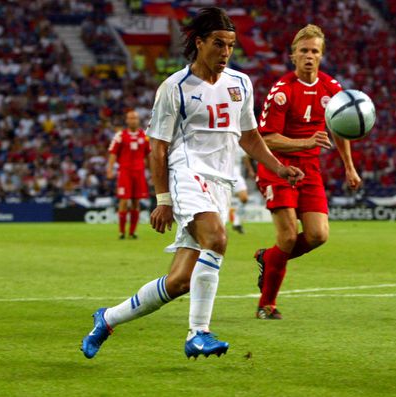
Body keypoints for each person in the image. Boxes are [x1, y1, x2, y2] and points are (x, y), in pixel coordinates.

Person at [80, 7, 304, 359]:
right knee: (217, 237)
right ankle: (198, 333)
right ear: (199, 43)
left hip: (220, 181)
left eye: (230, 45)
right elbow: (158, 147)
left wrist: (278, 167)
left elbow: (249, 137)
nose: (226, 52)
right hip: (186, 172)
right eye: (218, 44)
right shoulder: (174, 87)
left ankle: (107, 319)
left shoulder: (240, 83)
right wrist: (163, 199)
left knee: (180, 281)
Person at [253, 24, 361, 319]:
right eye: (303, 51)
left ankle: (268, 257)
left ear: (321, 55)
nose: (309, 56)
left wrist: (349, 167)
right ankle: (267, 305)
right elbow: (267, 138)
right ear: (293, 56)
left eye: (314, 51)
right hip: (278, 167)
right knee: (288, 237)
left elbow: (340, 130)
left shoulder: (332, 89)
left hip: (310, 170)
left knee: (318, 235)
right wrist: (305, 141)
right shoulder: (281, 91)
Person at [106, 110, 150, 239]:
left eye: (135, 118)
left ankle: (132, 232)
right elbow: (113, 153)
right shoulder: (120, 135)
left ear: (138, 120)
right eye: (130, 118)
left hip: (139, 173)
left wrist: (152, 172)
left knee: (136, 202)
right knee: (124, 201)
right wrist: (110, 169)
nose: (133, 120)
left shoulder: (144, 136)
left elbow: (148, 155)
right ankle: (121, 232)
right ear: (127, 120)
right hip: (125, 172)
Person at [228, 135, 253, 234]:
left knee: (244, 198)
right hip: (222, 173)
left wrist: (250, 170)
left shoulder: (240, 144)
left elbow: (245, 157)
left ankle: (237, 223)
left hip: (236, 175)